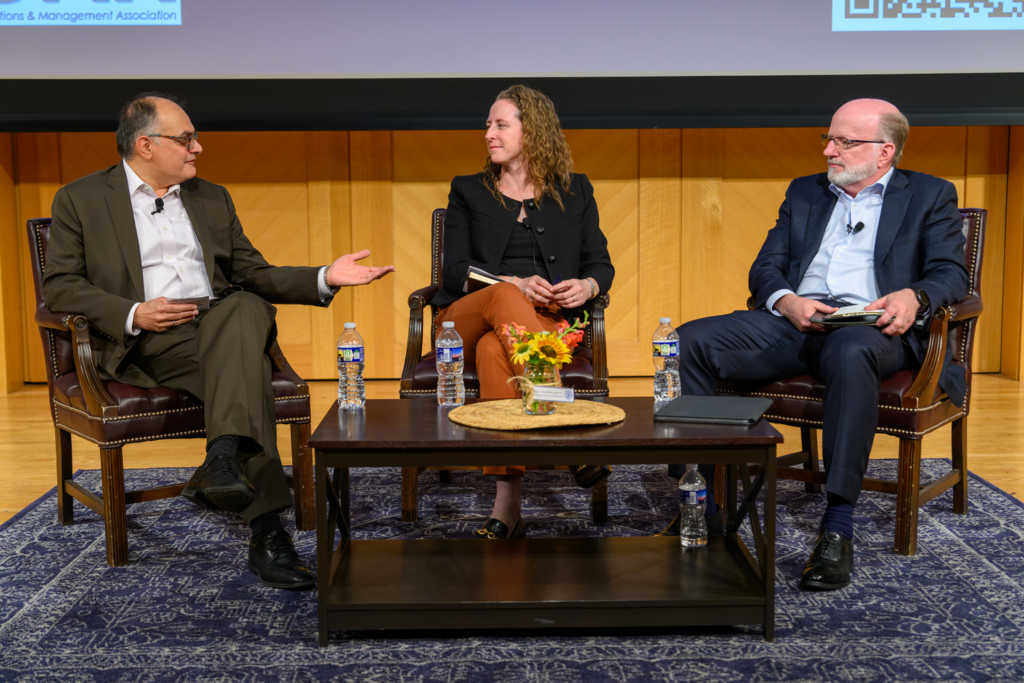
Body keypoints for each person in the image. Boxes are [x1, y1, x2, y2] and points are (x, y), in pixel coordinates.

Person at [42, 92, 394, 590]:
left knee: (245, 306)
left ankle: (226, 459)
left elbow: (252, 274)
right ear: (145, 145)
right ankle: (266, 530)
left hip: (219, 323)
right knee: (247, 365)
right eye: (185, 139)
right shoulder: (80, 199)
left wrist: (324, 277)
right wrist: (135, 312)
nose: (197, 148)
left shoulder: (211, 197)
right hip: (149, 339)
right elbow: (60, 285)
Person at [669, 99, 969, 590]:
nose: (829, 150)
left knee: (850, 350)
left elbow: (951, 273)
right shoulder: (806, 192)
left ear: (884, 151)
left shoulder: (929, 196)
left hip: (872, 329)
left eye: (844, 142)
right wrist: (787, 300)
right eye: (829, 139)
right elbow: (766, 267)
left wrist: (915, 296)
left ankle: (837, 526)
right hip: (799, 322)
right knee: (687, 342)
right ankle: (702, 500)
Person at [431, 85, 615, 540]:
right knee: (506, 300)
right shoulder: (469, 191)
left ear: (531, 133)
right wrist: (512, 284)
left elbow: (600, 265)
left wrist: (586, 286)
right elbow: (452, 271)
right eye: (487, 125)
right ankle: (564, 425)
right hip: (464, 321)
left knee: (499, 350)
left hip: (539, 327)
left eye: (500, 125)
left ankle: (506, 504)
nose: (488, 134)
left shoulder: (575, 191)